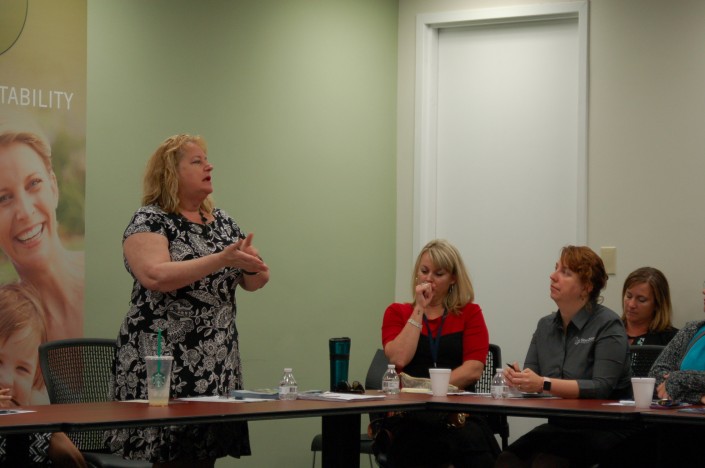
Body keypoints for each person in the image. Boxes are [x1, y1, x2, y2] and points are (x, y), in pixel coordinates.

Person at [107, 134, 269, 467]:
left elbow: (255, 282)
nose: (209, 167)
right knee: (170, 458)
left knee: (204, 458)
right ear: (171, 173)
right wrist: (222, 259)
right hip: (163, 361)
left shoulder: (222, 222)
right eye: (197, 161)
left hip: (216, 361)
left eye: (206, 160)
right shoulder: (150, 220)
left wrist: (251, 265)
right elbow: (155, 276)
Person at [497, 245, 632, 468]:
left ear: (586, 287)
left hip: (604, 426)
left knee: (547, 464)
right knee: (507, 459)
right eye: (556, 268)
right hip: (560, 425)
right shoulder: (545, 326)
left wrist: (543, 383)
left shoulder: (608, 324)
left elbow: (601, 387)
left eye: (565, 272)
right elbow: (533, 379)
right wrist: (519, 380)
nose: (553, 276)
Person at [380, 239, 498, 468]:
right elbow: (399, 358)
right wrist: (419, 309)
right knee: (418, 444)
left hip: (456, 410)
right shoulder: (397, 312)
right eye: (424, 271)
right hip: (411, 412)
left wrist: (432, 389)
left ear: (453, 278)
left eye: (438, 274)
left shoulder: (470, 313)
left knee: (470, 441)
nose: (429, 279)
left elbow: (473, 369)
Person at [0, 110, 84, 341]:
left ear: (53, 187)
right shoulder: (5, 329)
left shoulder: (105, 278)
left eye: (34, 183)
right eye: (3, 198)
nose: (25, 212)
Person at [0, 282, 86, 467]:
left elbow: (74, 460)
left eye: (22, 369)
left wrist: (49, 429)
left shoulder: (36, 428)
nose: (7, 381)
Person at [621, 267, 678, 346]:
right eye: (629, 296)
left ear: (657, 304)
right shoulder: (609, 329)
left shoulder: (673, 340)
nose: (631, 305)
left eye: (641, 300)